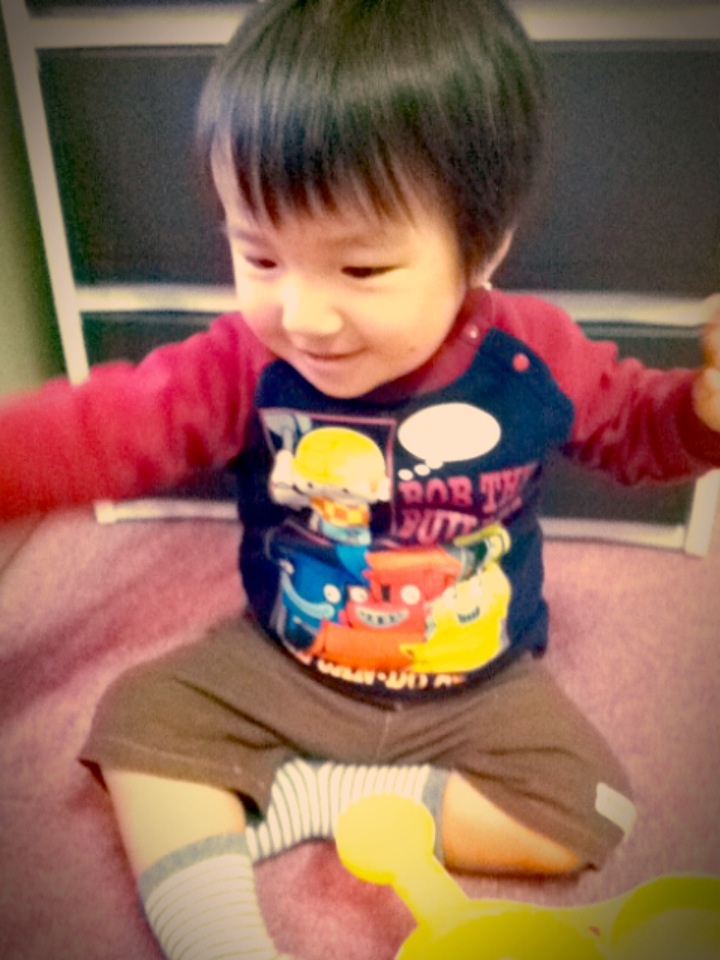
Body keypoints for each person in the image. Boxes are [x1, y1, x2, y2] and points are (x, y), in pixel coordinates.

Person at [2, 0, 720, 957]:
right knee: (138, 724)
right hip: (288, 660)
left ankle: (322, 800)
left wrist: (700, 413)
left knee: (591, 810)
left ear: (483, 245)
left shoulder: (533, 356)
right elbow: (108, 426)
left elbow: (637, 429)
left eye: (363, 268)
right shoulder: (244, 364)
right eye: (259, 256)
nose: (303, 315)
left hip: (477, 680)